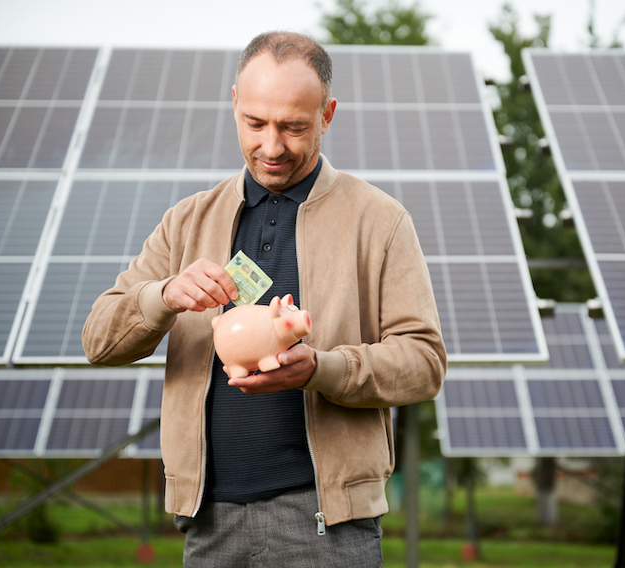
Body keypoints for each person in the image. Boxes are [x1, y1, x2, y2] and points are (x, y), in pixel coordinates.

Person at [82, 31, 446, 567]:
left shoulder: (379, 221)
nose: (272, 147)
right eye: (255, 123)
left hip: (328, 527)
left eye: (294, 127)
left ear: (327, 115)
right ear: (234, 103)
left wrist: (320, 369)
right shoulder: (187, 221)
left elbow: (423, 363)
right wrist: (162, 296)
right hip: (210, 523)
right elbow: (98, 340)